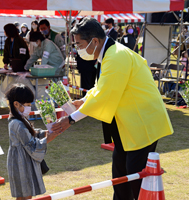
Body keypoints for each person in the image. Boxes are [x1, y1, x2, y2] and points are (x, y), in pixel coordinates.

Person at [52, 17, 173, 200]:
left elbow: (104, 95)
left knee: (135, 175)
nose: (77, 49)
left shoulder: (116, 55)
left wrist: (70, 119)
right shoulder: (109, 53)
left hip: (142, 124)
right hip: (128, 125)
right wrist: (84, 100)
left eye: (78, 44)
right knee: (120, 173)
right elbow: (103, 87)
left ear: (94, 41)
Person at [6, 84, 57, 200]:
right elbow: (32, 145)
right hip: (20, 163)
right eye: (27, 105)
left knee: (25, 194)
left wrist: (44, 133)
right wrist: (49, 138)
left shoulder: (20, 119)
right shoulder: (17, 123)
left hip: (22, 161)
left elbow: (30, 134)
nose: (30, 108)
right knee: (24, 195)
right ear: (16, 104)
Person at [75, 17, 97, 97]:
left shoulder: (92, 35)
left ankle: (89, 101)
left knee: (91, 85)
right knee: (86, 86)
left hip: (92, 64)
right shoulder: (80, 35)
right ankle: (86, 101)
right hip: (85, 64)